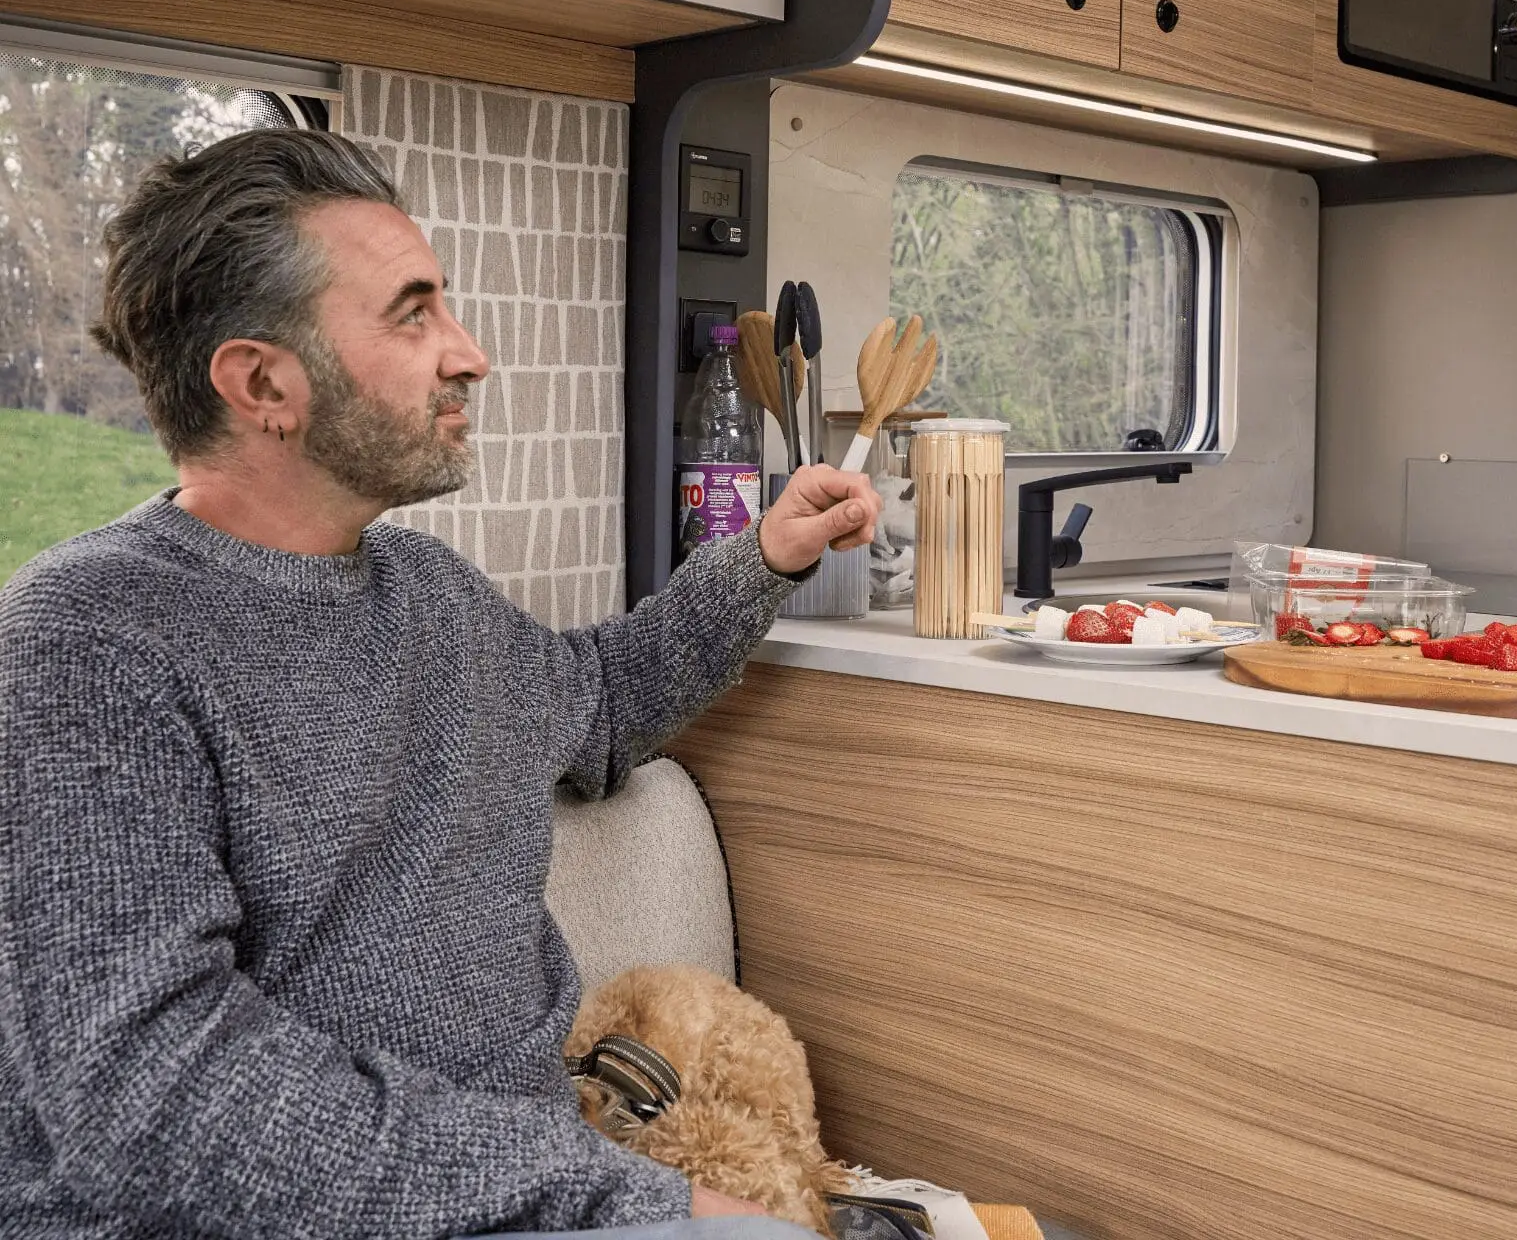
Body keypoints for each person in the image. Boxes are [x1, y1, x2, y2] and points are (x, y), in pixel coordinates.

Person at [0, 130, 880, 1239]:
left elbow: (598, 706)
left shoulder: (429, 592)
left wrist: (764, 558)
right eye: (412, 313)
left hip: (536, 1189)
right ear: (262, 380)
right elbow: (156, 1095)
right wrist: (624, 1197)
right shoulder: (89, 635)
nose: (469, 354)